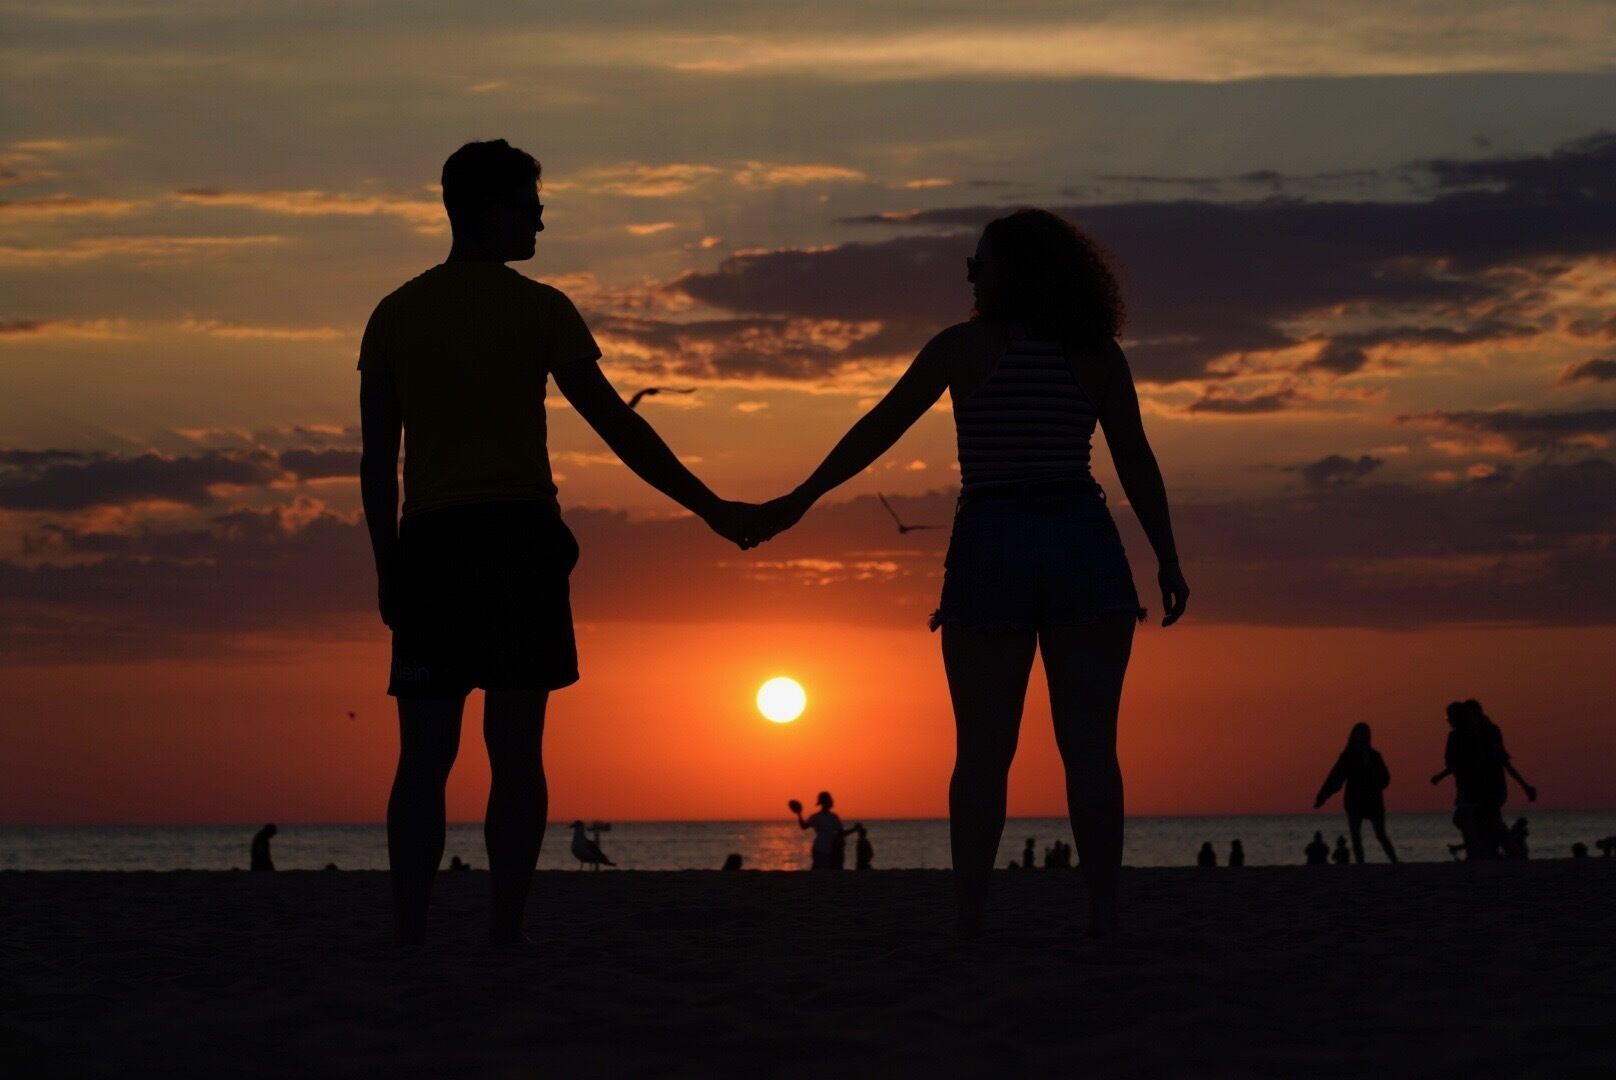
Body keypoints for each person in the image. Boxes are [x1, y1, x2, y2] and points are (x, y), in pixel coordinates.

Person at [747, 209, 1188, 939]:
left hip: (994, 541)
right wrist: (1166, 556)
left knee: (984, 750)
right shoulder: (1097, 355)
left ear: (1014, 272)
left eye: (978, 261)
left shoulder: (964, 350)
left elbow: (877, 429)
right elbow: (1134, 459)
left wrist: (801, 498)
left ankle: (972, 919)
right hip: (1082, 542)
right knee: (1089, 749)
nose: (969, 274)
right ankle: (1103, 916)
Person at [360, 140, 753, 946]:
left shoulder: (396, 312)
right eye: (525, 202)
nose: (540, 215)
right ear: (478, 210)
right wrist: (710, 507)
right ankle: (502, 932)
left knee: (427, 757)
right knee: (511, 753)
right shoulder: (540, 308)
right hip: (511, 543)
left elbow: (376, 463)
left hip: (434, 547)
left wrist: (387, 567)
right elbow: (618, 427)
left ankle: (412, 937)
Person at [1431, 699, 1536, 861]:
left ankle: (1497, 853)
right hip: (1474, 787)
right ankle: (1491, 853)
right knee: (1482, 821)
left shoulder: (1484, 733)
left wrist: (1525, 786)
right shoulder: (1468, 734)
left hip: (1486, 787)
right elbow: (1459, 764)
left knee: (1482, 820)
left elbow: (1498, 762)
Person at [1313, 722, 1398, 863]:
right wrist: (1322, 797)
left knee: (1381, 834)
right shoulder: (1347, 756)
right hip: (1354, 801)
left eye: (1365, 734)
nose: (1362, 737)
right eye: (1359, 734)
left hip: (1373, 801)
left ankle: (1394, 862)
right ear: (1353, 736)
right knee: (1355, 835)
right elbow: (1335, 777)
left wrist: (1370, 767)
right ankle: (1360, 864)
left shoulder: (1374, 756)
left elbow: (1385, 779)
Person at [790, 793, 858, 870]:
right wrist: (799, 814)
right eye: (829, 800)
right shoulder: (823, 817)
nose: (831, 801)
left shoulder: (830, 817)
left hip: (826, 850)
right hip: (821, 850)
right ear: (825, 802)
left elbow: (804, 826)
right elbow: (804, 826)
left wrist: (854, 829)